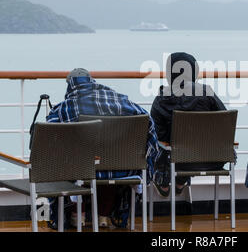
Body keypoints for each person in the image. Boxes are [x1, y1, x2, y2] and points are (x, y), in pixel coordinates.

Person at [46, 68, 160, 227]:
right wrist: (145, 163)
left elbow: (49, 137)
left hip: (82, 171)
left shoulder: (64, 108)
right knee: (108, 159)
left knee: (75, 160)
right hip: (124, 170)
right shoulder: (123, 102)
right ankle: (104, 216)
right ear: (92, 82)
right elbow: (148, 121)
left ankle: (78, 215)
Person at [151, 52, 228, 197]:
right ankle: (180, 181)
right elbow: (224, 121)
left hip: (177, 161)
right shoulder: (207, 93)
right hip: (214, 159)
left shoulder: (162, 98)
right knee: (191, 143)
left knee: (160, 144)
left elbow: (158, 134)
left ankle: (164, 182)